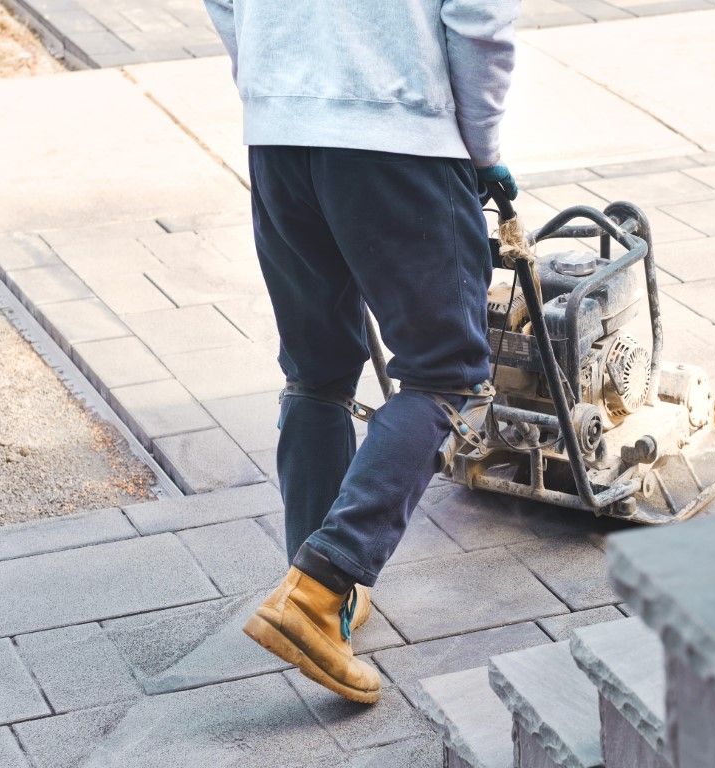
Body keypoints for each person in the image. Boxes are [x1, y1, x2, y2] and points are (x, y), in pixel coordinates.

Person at [202, 0, 521, 704]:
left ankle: (314, 598)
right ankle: (318, 591)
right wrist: (481, 147)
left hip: (280, 137)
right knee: (445, 375)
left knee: (317, 371)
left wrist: (272, 86)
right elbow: (479, 20)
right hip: (396, 138)